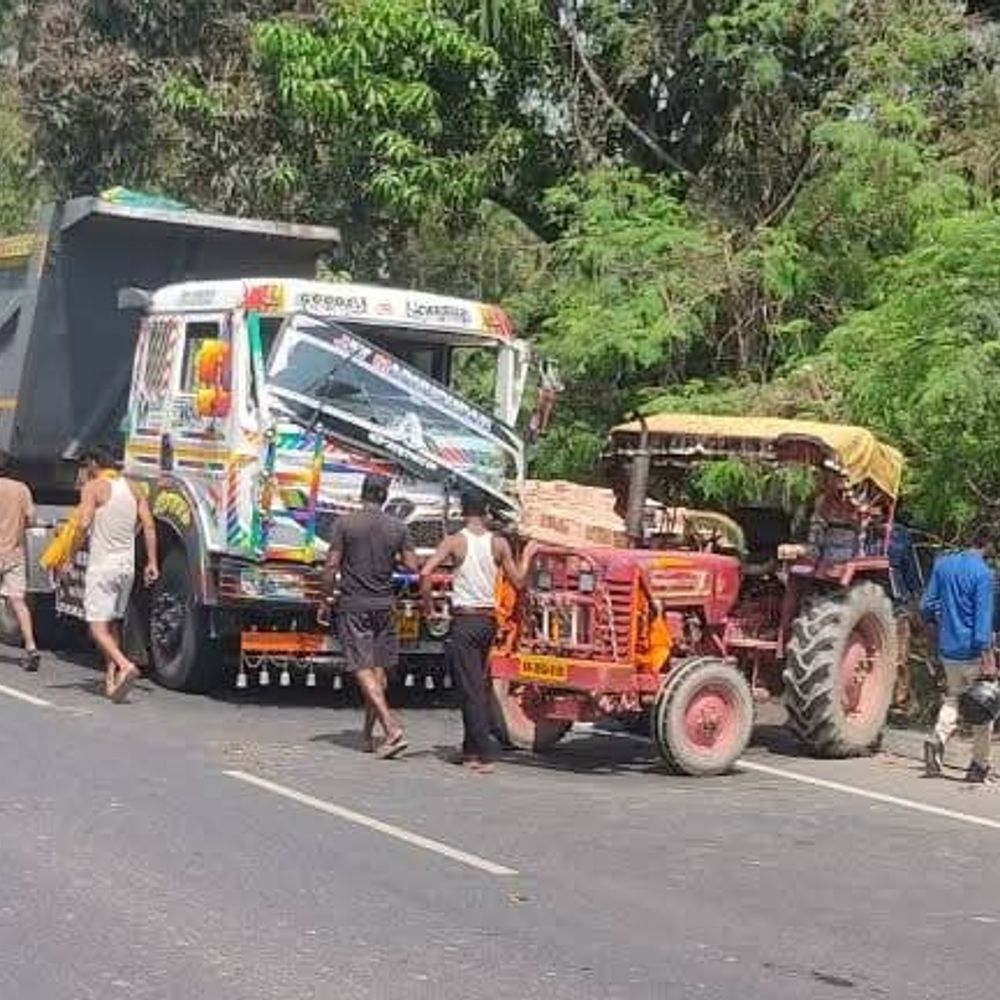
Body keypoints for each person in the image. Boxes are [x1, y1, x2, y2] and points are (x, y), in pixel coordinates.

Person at [419, 492, 533, 774]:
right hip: (488, 621)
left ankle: (482, 754)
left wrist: (429, 607)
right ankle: (470, 749)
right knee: (477, 685)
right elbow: (518, 581)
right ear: (486, 513)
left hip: (464, 621)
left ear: (462, 511)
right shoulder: (499, 543)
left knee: (470, 690)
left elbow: (426, 573)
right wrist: (528, 556)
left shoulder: (455, 541)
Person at [320, 473, 417, 759]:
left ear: (362, 493)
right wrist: (392, 557)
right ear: (384, 497)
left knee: (362, 667)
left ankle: (390, 727)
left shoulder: (345, 524)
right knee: (378, 672)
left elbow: (331, 566)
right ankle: (366, 735)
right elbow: (412, 566)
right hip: (385, 605)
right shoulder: (397, 527)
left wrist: (326, 598)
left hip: (354, 605)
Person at [76, 447, 159, 702]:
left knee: (96, 628)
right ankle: (111, 681)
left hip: (103, 567)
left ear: (93, 463)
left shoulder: (93, 487)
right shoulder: (134, 488)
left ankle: (125, 666)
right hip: (127, 567)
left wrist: (67, 555)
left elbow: (83, 523)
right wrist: (152, 562)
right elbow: (148, 525)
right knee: (113, 624)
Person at [922, 525, 997, 782]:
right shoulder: (984, 575)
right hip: (973, 652)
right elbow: (983, 621)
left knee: (954, 698)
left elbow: (927, 605)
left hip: (948, 649)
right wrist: (988, 659)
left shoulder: (943, 565)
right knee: (984, 708)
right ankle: (978, 766)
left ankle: (938, 739)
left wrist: (937, 632)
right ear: (987, 545)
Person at [0, 474, 40, 671]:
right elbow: (31, 519)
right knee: (18, 602)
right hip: (14, 553)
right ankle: (31, 647)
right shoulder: (21, 488)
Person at [887, 515, 922, 713]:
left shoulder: (899, 535)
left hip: (896, 604)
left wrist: (915, 606)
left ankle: (899, 700)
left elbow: (912, 576)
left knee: (899, 657)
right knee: (898, 658)